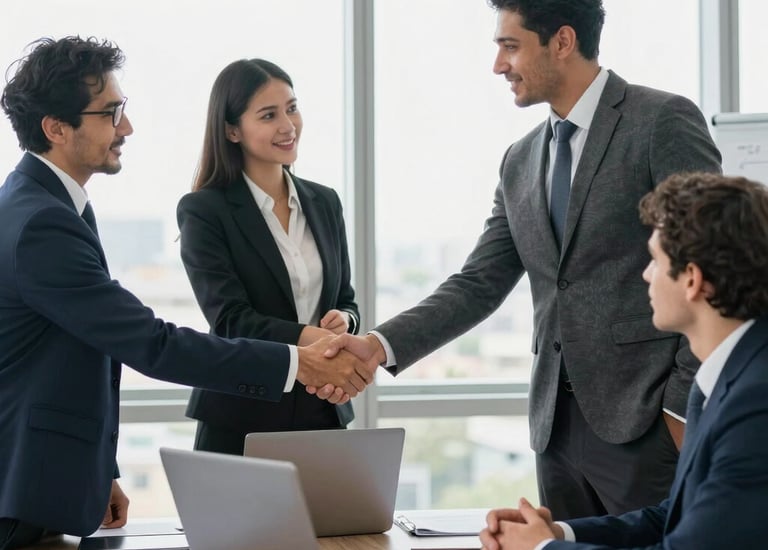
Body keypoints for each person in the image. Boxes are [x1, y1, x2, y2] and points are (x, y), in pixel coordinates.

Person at [321, 0, 722, 519]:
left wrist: (679, 409)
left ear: (562, 41)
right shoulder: (521, 158)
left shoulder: (660, 121)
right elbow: (479, 283)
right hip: (555, 430)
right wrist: (379, 345)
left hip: (647, 424)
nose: (498, 65)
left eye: (510, 46)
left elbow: (713, 260)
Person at [0, 36, 372, 549]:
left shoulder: (53, 207)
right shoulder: (41, 222)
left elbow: (82, 351)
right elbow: (152, 344)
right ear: (56, 128)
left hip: (38, 482)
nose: (126, 127)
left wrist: (96, 469)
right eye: (111, 113)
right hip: (16, 489)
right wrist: (301, 362)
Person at [479, 171, 768, 549]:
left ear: (693, 280)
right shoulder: (720, 379)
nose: (646, 275)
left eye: (654, 261)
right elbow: (673, 518)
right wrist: (559, 534)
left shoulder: (756, 402)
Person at [176, 58, 360, 455]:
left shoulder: (325, 202)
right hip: (241, 414)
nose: (287, 125)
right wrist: (314, 338)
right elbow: (230, 320)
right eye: (268, 115)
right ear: (232, 130)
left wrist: (345, 320)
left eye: (292, 108)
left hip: (321, 408)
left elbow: (345, 298)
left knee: (333, 519)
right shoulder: (205, 210)